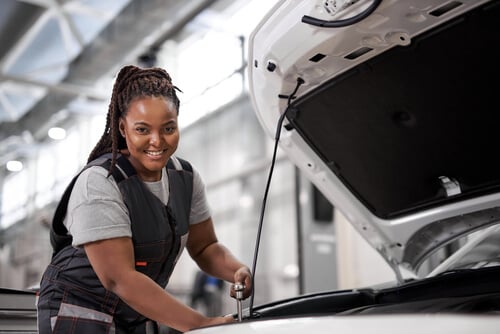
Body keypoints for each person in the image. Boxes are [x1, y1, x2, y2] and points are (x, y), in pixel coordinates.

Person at [36, 65, 252, 333]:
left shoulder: (185, 177)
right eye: (142, 130)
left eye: (168, 128)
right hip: (79, 308)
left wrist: (237, 270)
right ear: (123, 128)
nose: (156, 141)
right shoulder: (100, 182)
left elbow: (205, 246)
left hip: (133, 313)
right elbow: (119, 279)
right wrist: (201, 324)